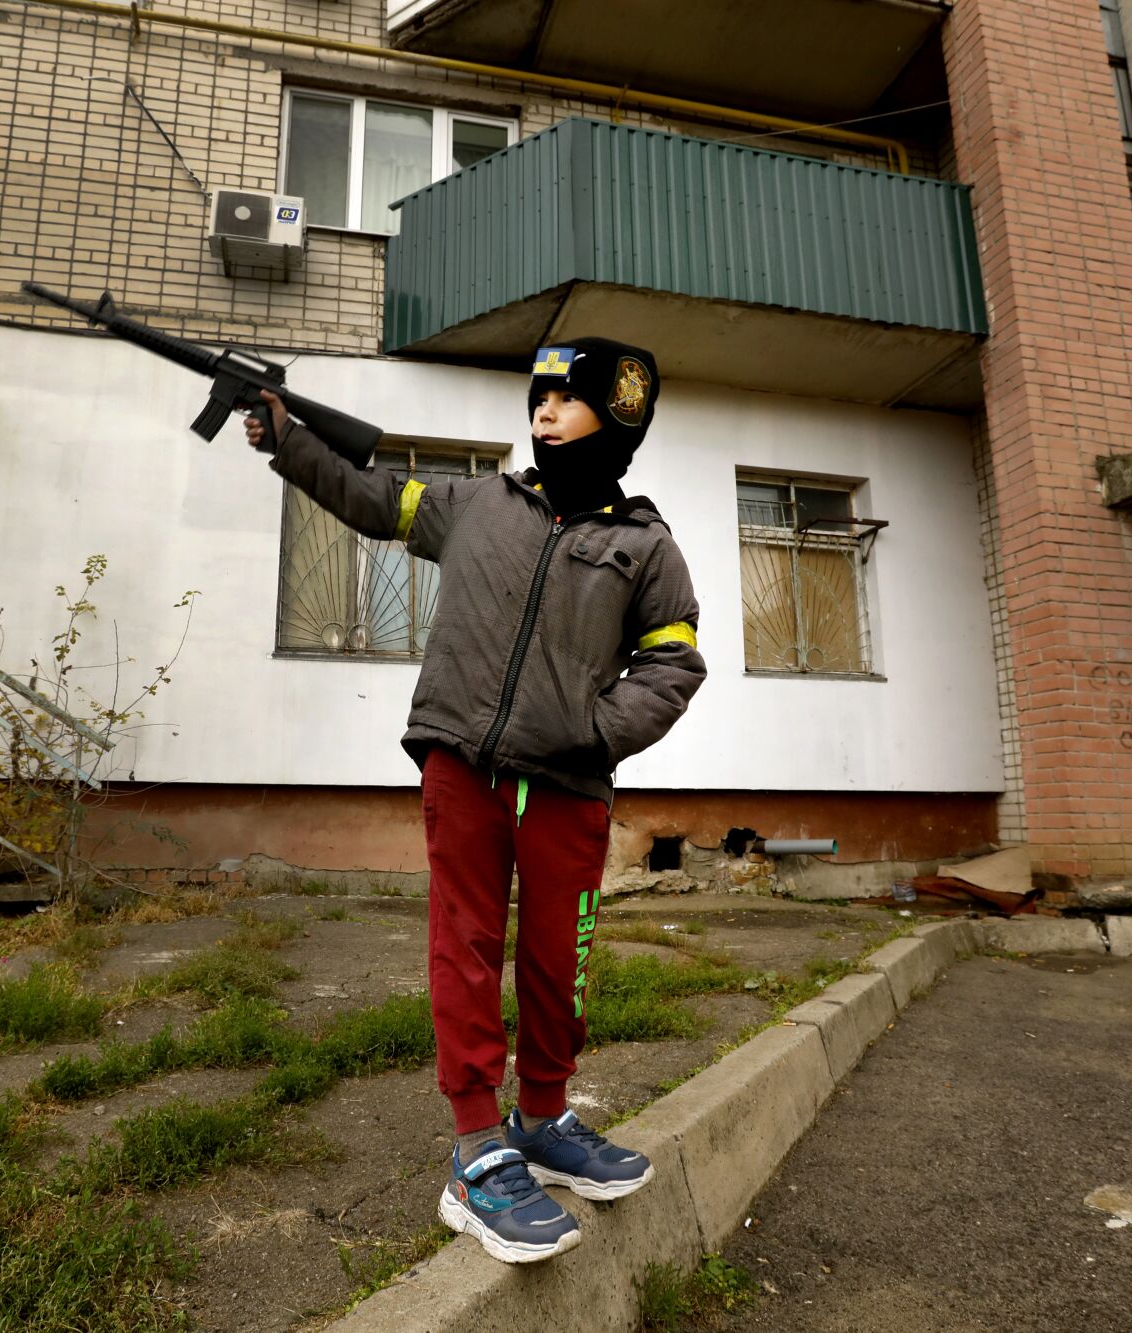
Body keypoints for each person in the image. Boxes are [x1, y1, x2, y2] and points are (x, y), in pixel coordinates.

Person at [243, 338, 705, 1263]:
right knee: (465, 943)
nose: (543, 412)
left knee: (554, 956)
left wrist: (593, 728)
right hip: (464, 764)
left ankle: (542, 1116)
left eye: (566, 401)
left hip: (568, 783)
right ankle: (476, 1148)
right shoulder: (476, 503)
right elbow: (372, 498)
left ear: (616, 419)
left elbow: (673, 664)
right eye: (538, 398)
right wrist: (289, 441)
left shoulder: (644, 545)